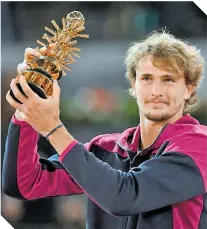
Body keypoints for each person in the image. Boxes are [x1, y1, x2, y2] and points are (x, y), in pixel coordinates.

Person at [2, 31, 207, 229]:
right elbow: (23, 183)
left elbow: (125, 196)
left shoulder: (199, 146)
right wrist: (27, 106)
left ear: (189, 88)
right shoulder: (106, 149)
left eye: (168, 79)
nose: (156, 91)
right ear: (133, 85)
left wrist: (53, 128)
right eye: (146, 78)